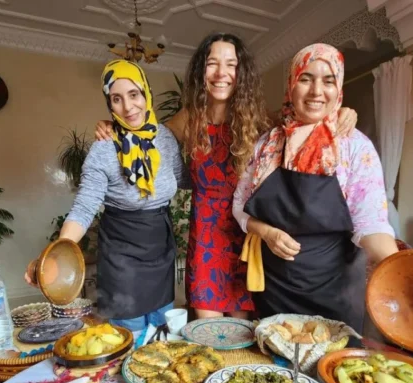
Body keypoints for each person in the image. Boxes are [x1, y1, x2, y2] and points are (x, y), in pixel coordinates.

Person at [95, 34, 358, 321]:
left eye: (231, 64)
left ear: (240, 72)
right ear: (201, 71)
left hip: (247, 237)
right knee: (207, 332)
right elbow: (144, 132)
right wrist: (112, 126)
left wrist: (343, 112)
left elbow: (306, 117)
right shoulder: (188, 118)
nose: (221, 73)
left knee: (242, 335)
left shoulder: (260, 120)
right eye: (212, 64)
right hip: (205, 238)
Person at [233, 43, 397, 334]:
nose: (316, 91)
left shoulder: (354, 146)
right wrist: (267, 232)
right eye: (305, 78)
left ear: (339, 88)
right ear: (291, 85)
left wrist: (399, 270)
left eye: (328, 80)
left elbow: (371, 222)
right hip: (276, 289)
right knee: (274, 369)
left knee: (330, 371)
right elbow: (239, 206)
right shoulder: (268, 144)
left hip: (335, 290)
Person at [26, 59, 189, 345]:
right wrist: (57, 252)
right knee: (129, 335)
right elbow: (85, 206)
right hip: (121, 253)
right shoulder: (103, 150)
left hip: (159, 247)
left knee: (162, 333)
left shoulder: (165, 139)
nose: (128, 107)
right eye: (117, 99)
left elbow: (181, 178)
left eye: (134, 94)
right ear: (109, 104)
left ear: (146, 93)